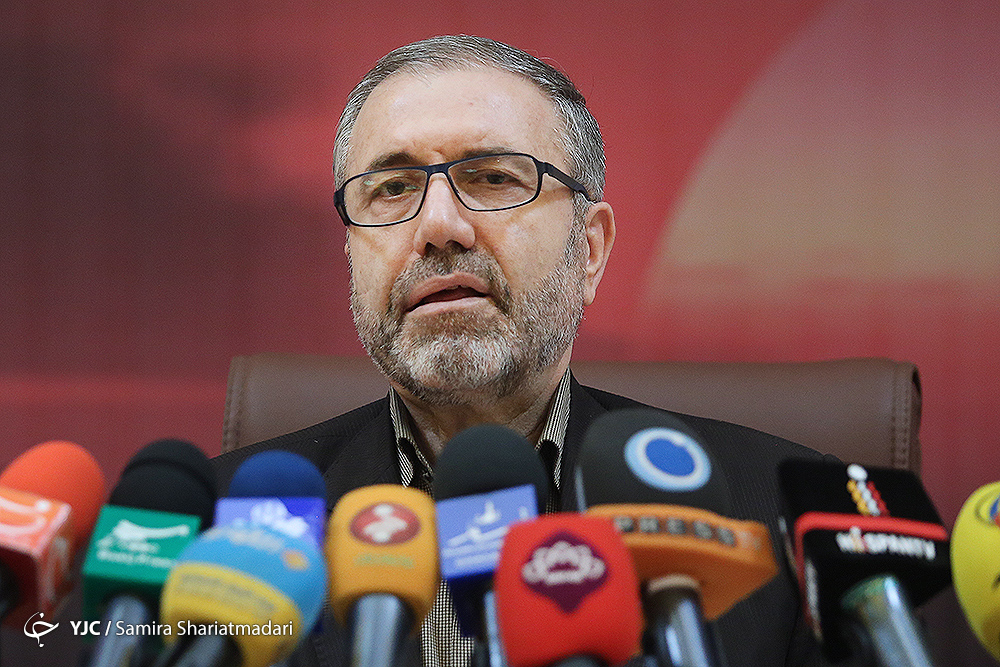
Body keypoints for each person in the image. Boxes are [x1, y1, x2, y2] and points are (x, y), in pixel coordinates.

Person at [214, 35, 841, 667]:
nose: (439, 227)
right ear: (351, 251)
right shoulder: (214, 535)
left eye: (492, 178)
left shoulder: (786, 518)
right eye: (394, 188)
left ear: (589, 250)